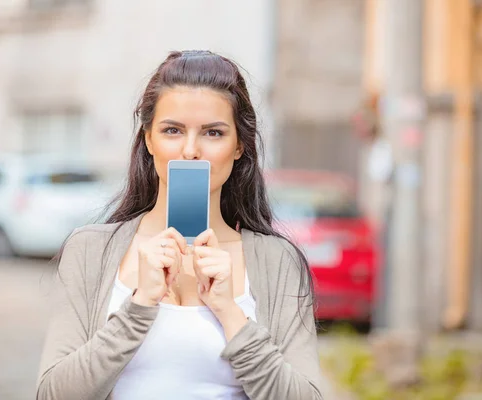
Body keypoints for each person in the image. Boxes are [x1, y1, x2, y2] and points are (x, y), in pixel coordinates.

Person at [36, 50, 324, 400]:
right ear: (148, 140)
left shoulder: (278, 261)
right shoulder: (89, 250)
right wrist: (139, 306)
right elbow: (52, 394)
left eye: (213, 133)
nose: (190, 150)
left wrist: (231, 314)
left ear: (238, 146)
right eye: (172, 130)